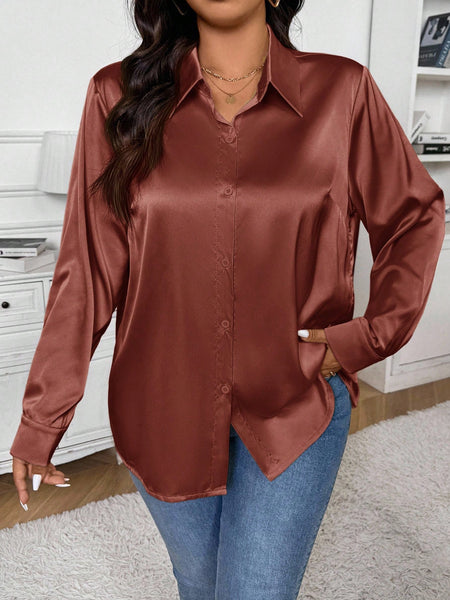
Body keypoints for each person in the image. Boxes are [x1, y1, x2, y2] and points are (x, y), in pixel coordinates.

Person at [10, 0, 445, 598]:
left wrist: (364, 340)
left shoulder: (343, 91)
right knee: (199, 583)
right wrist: (43, 417)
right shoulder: (117, 95)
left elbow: (414, 216)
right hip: (161, 406)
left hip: (297, 401)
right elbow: (87, 270)